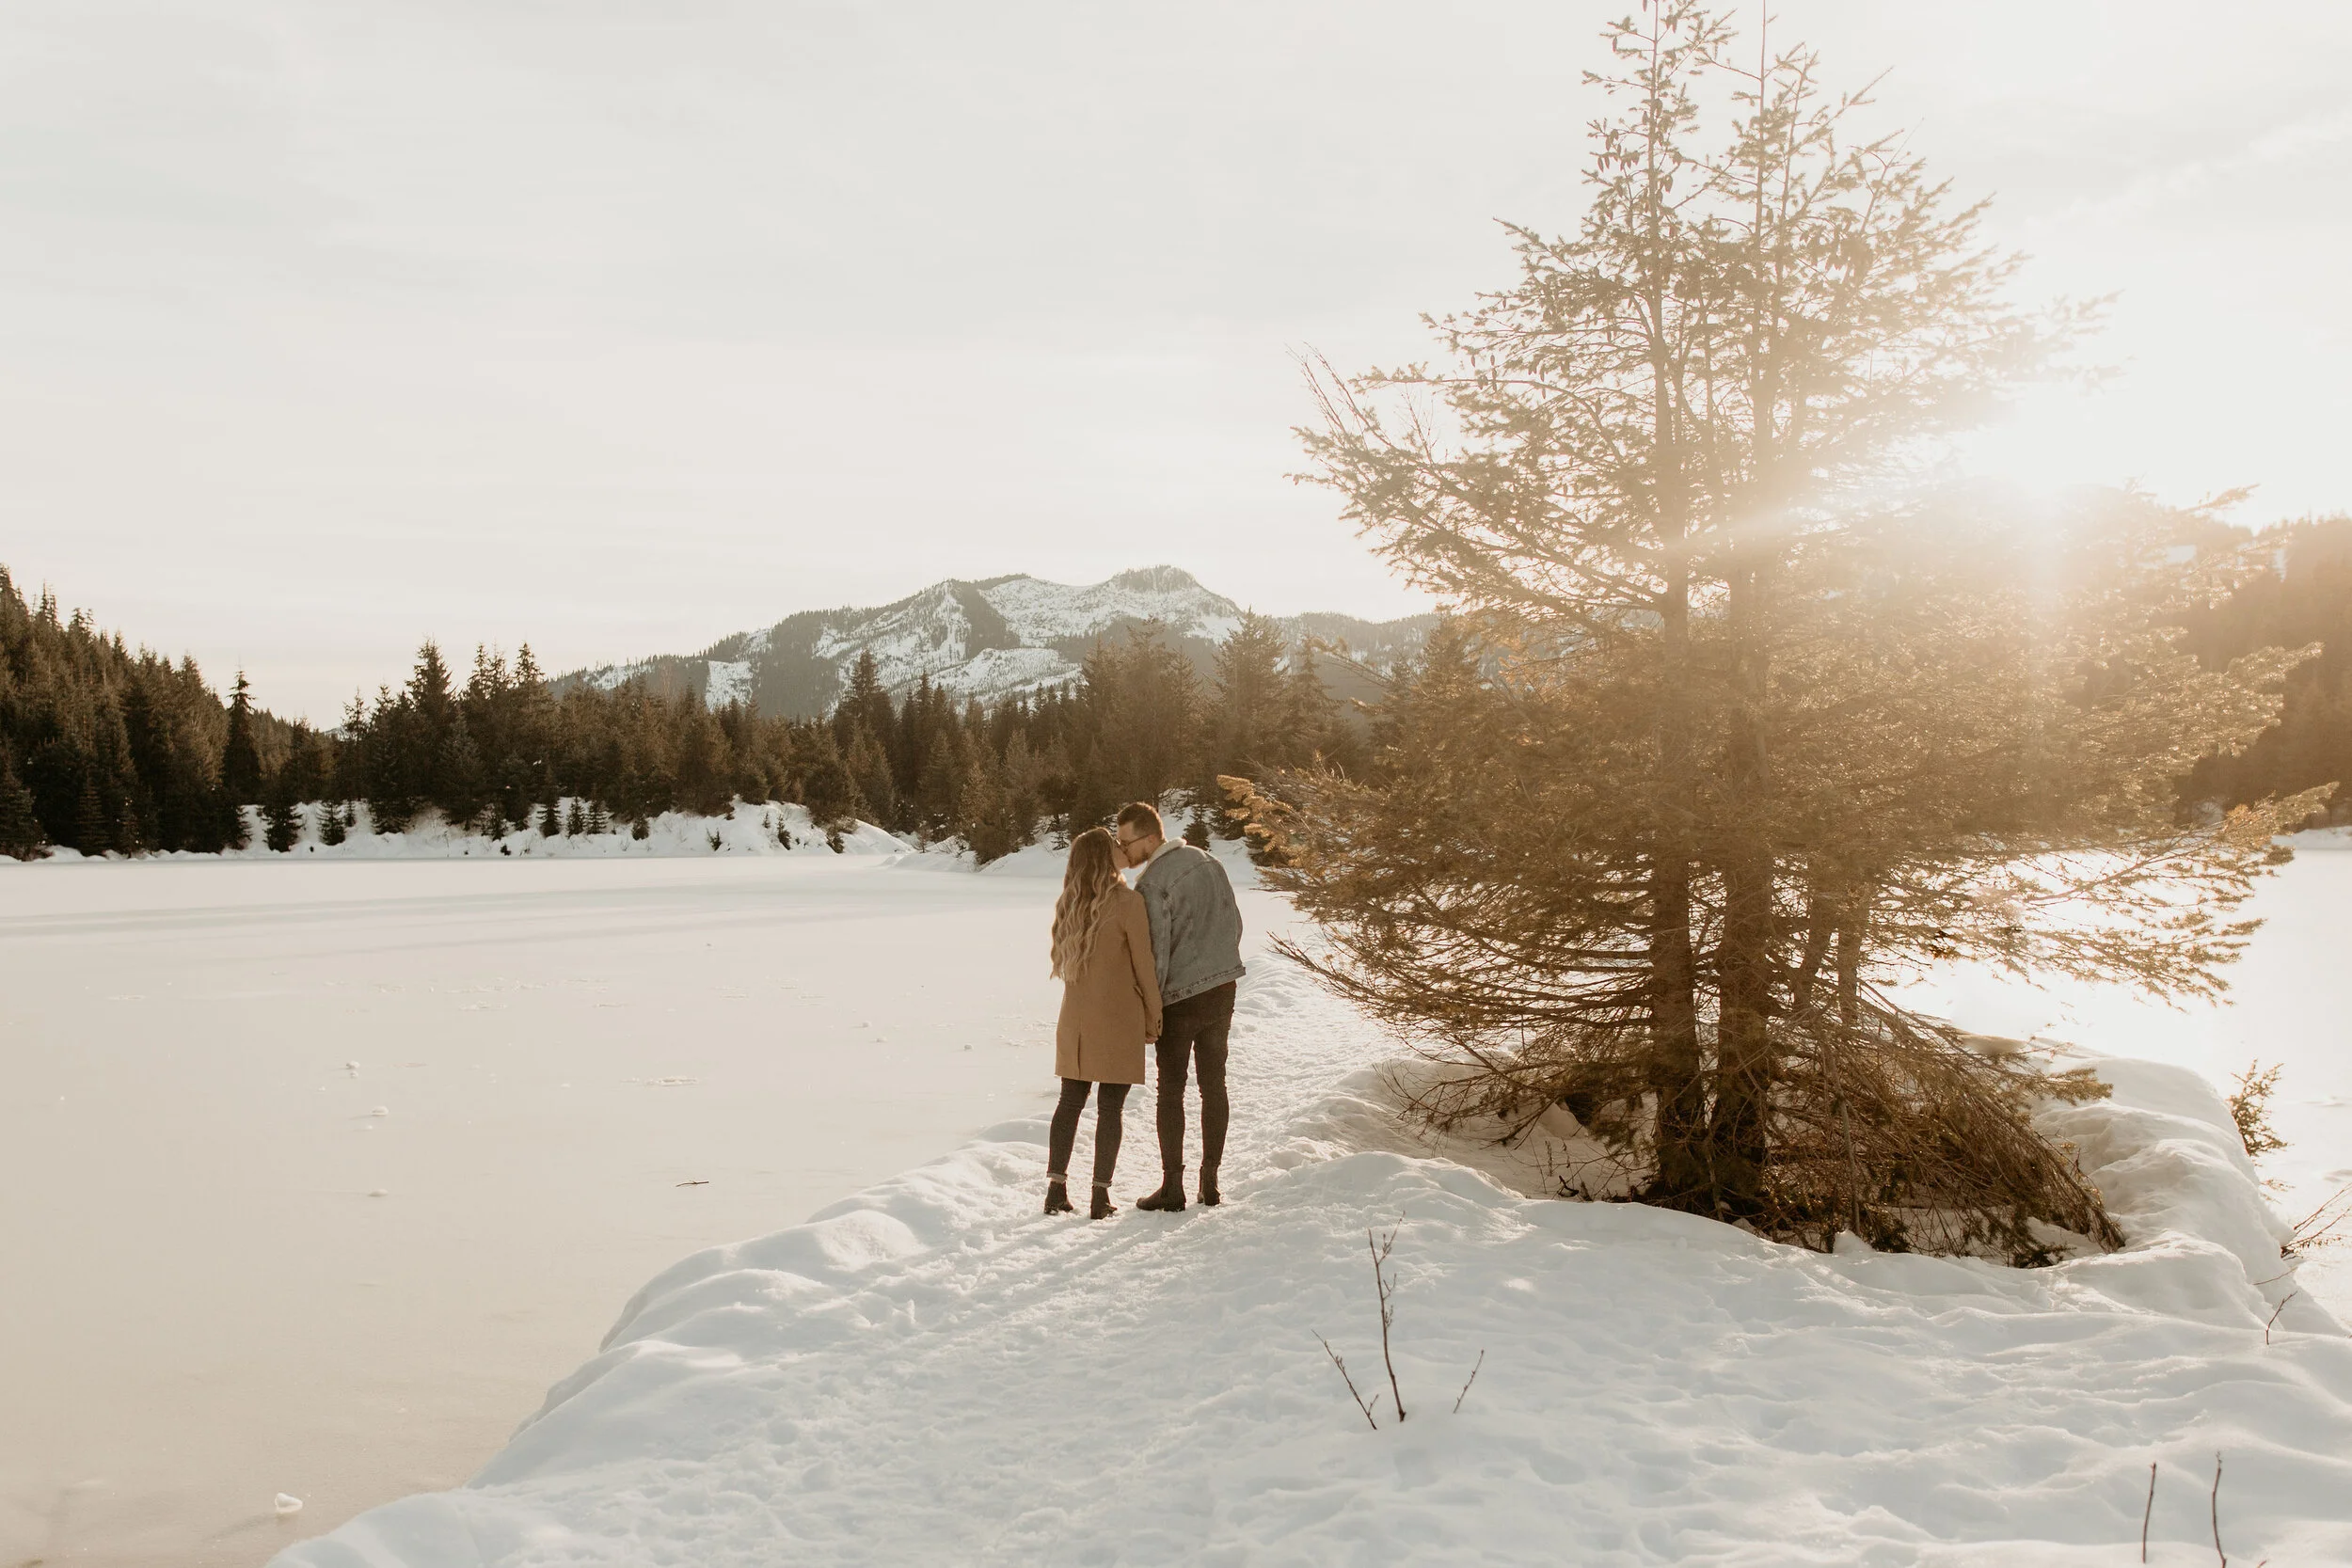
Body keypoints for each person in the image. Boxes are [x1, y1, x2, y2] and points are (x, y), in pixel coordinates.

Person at [1114, 801, 1245, 1212]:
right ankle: (1211, 1182)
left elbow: (1155, 955)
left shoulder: (1152, 884)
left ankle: (1173, 1188)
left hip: (1180, 998)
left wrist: (1149, 1011)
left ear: (1151, 838)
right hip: (1223, 987)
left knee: (1170, 1092)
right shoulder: (1208, 861)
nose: (1124, 852)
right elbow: (1235, 923)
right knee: (1214, 1085)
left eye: (1127, 842)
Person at [1046, 826, 1160, 1220]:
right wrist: (1154, 1013)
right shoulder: (1127, 902)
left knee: (1070, 1102)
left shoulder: (1069, 903)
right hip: (1118, 1017)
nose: (1121, 847)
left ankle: (1055, 1190)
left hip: (1075, 1020)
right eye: (1115, 844)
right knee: (1111, 1108)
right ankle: (1099, 1197)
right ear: (1103, 855)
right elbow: (1144, 966)